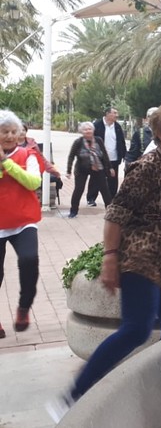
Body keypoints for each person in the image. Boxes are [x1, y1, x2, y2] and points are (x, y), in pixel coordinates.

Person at [47, 101, 161, 421]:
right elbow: (116, 213)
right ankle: (73, 395)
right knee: (136, 329)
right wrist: (110, 258)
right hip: (144, 257)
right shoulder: (147, 167)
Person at [0, 110, 45, 339]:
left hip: (23, 221)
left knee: (29, 260)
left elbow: (33, 182)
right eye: (4, 132)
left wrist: (6, 163)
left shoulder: (28, 155)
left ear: (19, 134)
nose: (9, 136)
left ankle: (24, 308)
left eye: (13, 132)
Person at [66, 122, 113, 218]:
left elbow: (104, 154)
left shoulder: (98, 140)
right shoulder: (78, 142)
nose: (88, 131)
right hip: (82, 168)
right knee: (79, 189)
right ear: (82, 131)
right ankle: (73, 211)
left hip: (97, 166)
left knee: (104, 189)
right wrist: (68, 171)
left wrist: (110, 167)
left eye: (89, 129)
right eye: (85, 129)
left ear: (93, 130)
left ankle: (110, 211)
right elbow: (71, 156)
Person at [89, 107, 126, 202]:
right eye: (115, 113)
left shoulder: (117, 127)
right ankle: (91, 198)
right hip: (99, 158)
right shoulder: (97, 125)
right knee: (96, 178)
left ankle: (112, 198)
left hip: (114, 157)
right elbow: (91, 140)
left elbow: (122, 141)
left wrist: (124, 154)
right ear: (107, 114)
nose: (117, 115)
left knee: (112, 179)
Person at [124, 107, 157, 173]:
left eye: (155, 116)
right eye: (149, 116)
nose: (152, 119)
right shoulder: (139, 133)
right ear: (147, 118)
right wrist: (128, 166)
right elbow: (132, 153)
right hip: (144, 170)